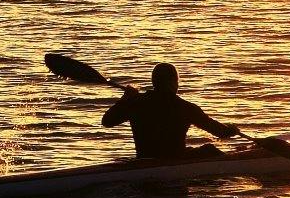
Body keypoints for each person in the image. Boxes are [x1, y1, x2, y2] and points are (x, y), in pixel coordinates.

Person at [103, 63, 240, 160]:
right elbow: (219, 132)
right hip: (175, 159)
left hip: (145, 159)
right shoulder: (185, 107)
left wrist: (125, 99)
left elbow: (107, 121)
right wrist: (232, 130)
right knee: (209, 150)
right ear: (174, 82)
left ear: (154, 82)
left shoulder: (135, 102)